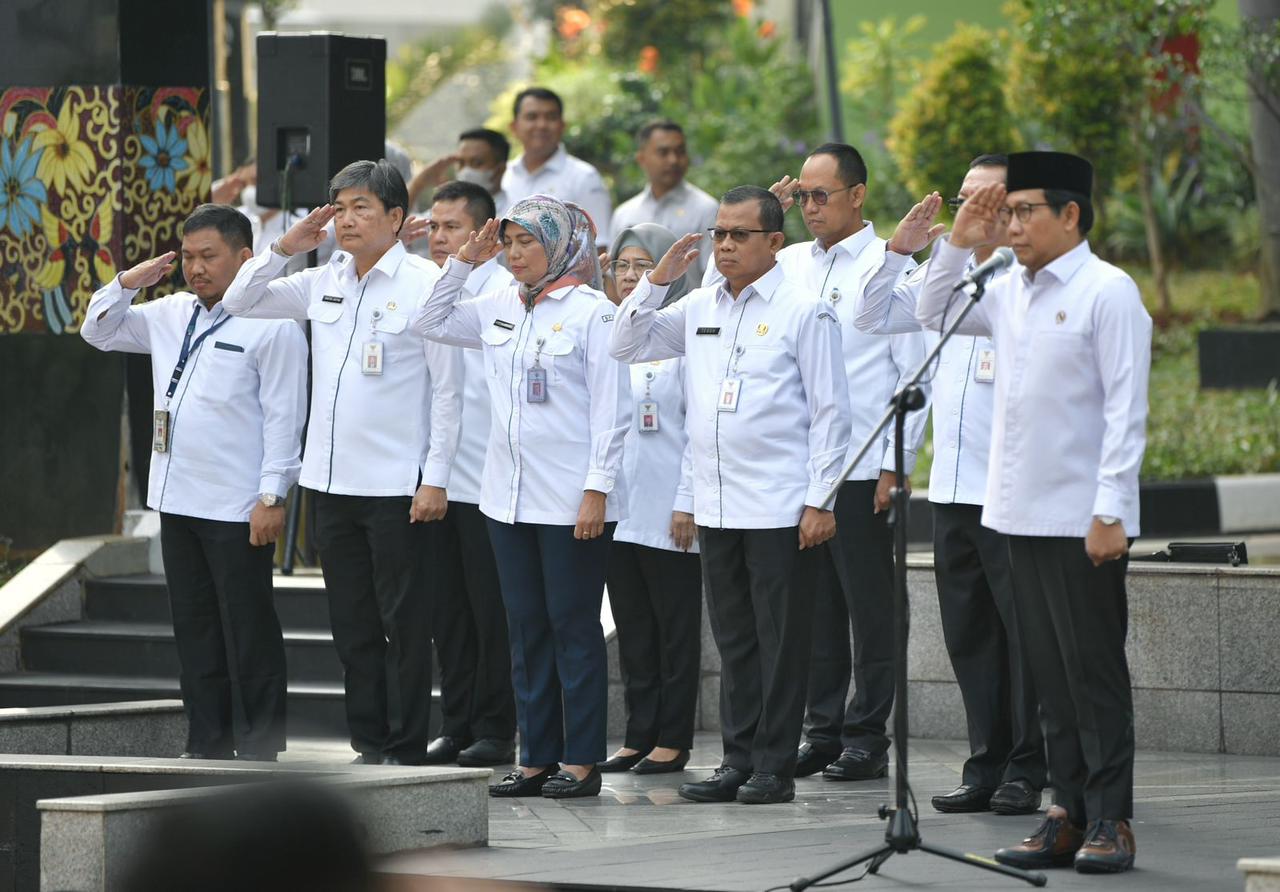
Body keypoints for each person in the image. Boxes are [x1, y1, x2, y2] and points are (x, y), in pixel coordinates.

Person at [915, 151, 1151, 874]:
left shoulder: (1108, 292)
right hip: (1014, 512)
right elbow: (930, 310)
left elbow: (1126, 410)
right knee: (1047, 675)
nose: (1011, 226)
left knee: (1092, 673)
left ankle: (1111, 817)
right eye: (1006, 212)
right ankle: (1065, 810)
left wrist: (1111, 508)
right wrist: (961, 234)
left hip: (1081, 520)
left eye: (1024, 212)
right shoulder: (1006, 288)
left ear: (1071, 215)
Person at [611, 186, 852, 805]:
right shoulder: (697, 305)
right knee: (736, 640)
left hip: (778, 505)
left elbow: (832, 414)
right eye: (719, 233)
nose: (724, 245)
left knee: (779, 641)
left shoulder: (805, 311)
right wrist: (657, 281)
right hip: (718, 504)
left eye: (739, 235)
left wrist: (821, 499)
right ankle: (736, 759)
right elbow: (627, 343)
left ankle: (773, 764)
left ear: (775, 242)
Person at [222, 159, 464, 767]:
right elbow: (239, 299)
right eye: (340, 207)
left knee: (405, 627)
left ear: (396, 218)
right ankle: (369, 741)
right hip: (329, 485)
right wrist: (283, 246)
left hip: (396, 487)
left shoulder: (425, 284)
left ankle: (406, 746)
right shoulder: (322, 278)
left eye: (362, 208)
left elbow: (448, 392)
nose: (348, 219)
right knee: (352, 625)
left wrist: (434, 479)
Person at [414, 195, 629, 799]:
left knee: (572, 626)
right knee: (525, 627)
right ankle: (535, 756)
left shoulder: (593, 314)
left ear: (559, 245)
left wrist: (597, 492)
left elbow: (610, 416)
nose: (513, 254)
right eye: (508, 243)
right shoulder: (494, 304)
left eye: (525, 242)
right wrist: (462, 263)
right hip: (504, 500)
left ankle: (582, 759)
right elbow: (427, 322)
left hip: (570, 503)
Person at [852, 154, 1048, 816]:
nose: (968, 210)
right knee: (970, 636)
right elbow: (874, 313)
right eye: (963, 198)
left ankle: (1029, 767)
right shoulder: (950, 275)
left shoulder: (1025, 284)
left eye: (983, 199)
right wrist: (898, 250)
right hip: (954, 490)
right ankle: (985, 763)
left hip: (1014, 494)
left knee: (1023, 636)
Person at [81, 204, 307, 761]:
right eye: (188, 256)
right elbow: (99, 331)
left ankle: (260, 742)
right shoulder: (170, 312)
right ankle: (207, 738)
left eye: (209, 256)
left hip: (239, 504)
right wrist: (127, 283)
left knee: (248, 626)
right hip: (176, 499)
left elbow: (285, 417)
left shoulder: (274, 323)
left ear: (245, 258)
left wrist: (272, 496)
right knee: (195, 627)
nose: (195, 267)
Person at [768, 144, 930, 784]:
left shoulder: (895, 264)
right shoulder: (784, 263)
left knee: (871, 607)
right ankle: (823, 729)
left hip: (864, 465)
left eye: (821, 195)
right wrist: (765, 215)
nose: (810, 207)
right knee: (815, 610)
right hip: (799, 470)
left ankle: (868, 735)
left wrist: (897, 462)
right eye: (802, 196)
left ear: (857, 195)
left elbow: (912, 371)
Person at [417, 180, 518, 768]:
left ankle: (494, 726)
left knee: (490, 612)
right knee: (447, 612)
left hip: (489, 479)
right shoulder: (438, 291)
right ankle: (455, 722)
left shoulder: (505, 293)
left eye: (451, 227)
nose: (438, 238)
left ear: (487, 234)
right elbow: (439, 397)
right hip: (440, 477)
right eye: (433, 227)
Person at [598, 223, 701, 776]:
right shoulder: (610, 337)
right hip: (620, 505)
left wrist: (686, 500)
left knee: (675, 629)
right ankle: (639, 733)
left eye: (645, 266)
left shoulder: (681, 338)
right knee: (634, 628)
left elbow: (698, 430)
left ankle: (673, 737)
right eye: (624, 267)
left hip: (669, 509)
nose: (633, 278)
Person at [501, 87, 613, 245]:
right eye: (532, 117)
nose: (541, 125)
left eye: (551, 117)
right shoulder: (503, 175)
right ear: (514, 127)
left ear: (562, 125)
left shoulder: (584, 177)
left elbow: (599, 246)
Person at [611, 120, 719, 283]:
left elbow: (714, 276)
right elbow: (614, 276)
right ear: (641, 159)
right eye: (663, 152)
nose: (673, 160)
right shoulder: (624, 214)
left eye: (680, 152)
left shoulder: (706, 209)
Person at [408, 128, 512, 218]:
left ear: (500, 169)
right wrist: (417, 184)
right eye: (461, 163)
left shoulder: (514, 213)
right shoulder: (442, 213)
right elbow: (399, 225)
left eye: (476, 163)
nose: (466, 171)